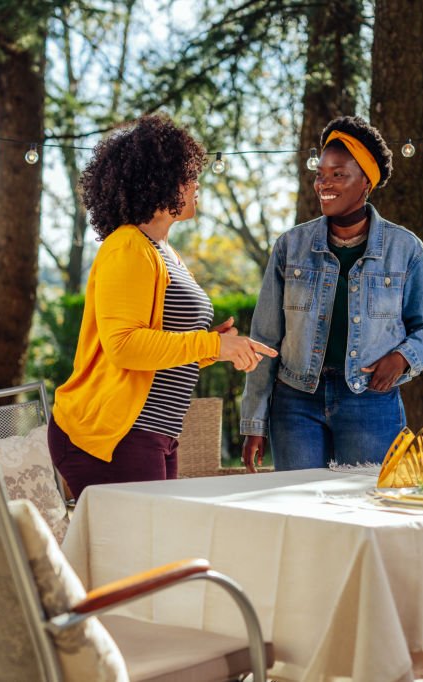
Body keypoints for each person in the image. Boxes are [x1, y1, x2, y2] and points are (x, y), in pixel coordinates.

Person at [49, 114, 276, 497]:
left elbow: (157, 349)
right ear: (158, 180)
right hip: (116, 435)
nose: (197, 183)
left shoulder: (163, 251)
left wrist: (214, 349)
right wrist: (209, 345)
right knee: (145, 553)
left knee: (159, 548)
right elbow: (124, 346)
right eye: (188, 174)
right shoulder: (127, 246)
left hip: (154, 432)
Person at [240, 115, 423, 471]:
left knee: (369, 507)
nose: (325, 184)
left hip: (371, 401)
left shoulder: (406, 250)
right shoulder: (290, 247)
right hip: (295, 403)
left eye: (339, 174)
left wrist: (401, 359)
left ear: (366, 181)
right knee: (300, 511)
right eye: (321, 174)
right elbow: (265, 339)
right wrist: (255, 421)